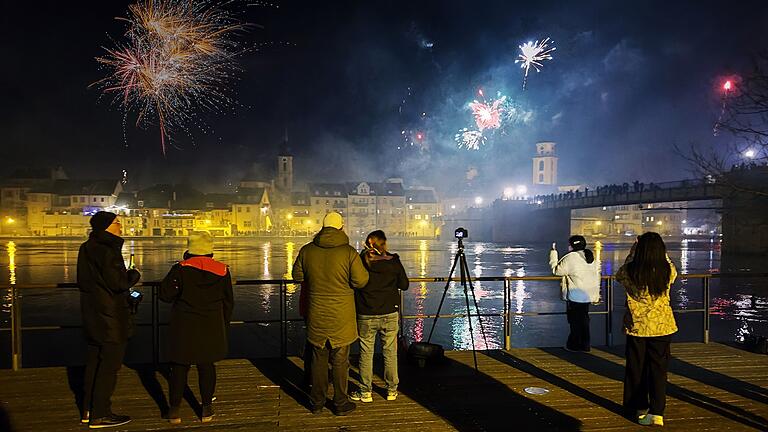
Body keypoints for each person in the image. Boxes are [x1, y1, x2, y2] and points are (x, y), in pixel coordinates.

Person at [292, 212, 369, 416]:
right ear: (341, 227)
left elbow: (297, 275)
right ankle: (340, 402)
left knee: (318, 359)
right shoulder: (349, 252)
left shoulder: (307, 250)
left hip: (317, 312)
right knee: (340, 360)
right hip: (341, 316)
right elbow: (361, 281)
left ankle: (316, 402)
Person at [159, 231, 234, 424]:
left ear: (189, 248)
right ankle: (206, 408)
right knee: (206, 365)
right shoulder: (222, 270)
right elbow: (228, 302)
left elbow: (165, 295)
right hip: (211, 325)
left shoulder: (181, 269)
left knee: (179, 366)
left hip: (184, 324)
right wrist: (223, 323)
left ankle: (174, 410)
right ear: (210, 249)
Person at [77, 211, 140, 428]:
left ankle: (88, 409)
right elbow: (118, 283)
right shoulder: (108, 250)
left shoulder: (86, 248)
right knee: (109, 367)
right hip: (111, 317)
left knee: (94, 363)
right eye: (116, 223)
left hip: (92, 313)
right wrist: (134, 275)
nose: (120, 226)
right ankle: (100, 414)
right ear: (106, 226)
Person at [616, 232, 678, 427]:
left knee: (636, 368)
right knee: (659, 370)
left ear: (639, 249)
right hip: (662, 326)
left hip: (638, 327)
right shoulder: (667, 270)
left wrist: (632, 252)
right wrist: (663, 255)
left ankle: (637, 407)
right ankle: (657, 412)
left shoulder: (631, 271)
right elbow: (673, 273)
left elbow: (619, 275)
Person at [350, 230, 409, 403]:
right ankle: (391, 390)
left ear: (369, 242)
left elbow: (353, 282)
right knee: (390, 352)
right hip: (389, 312)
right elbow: (404, 285)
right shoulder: (393, 260)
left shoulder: (360, 261)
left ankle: (365, 391)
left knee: (366, 353)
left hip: (366, 313)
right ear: (384, 243)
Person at [549, 235, 601, 352]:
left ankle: (574, 345)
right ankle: (585, 345)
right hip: (589, 294)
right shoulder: (589, 256)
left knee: (575, 322)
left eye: (569, 244)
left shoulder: (571, 258)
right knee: (584, 320)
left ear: (573, 245)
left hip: (577, 295)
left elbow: (557, 271)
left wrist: (553, 253)